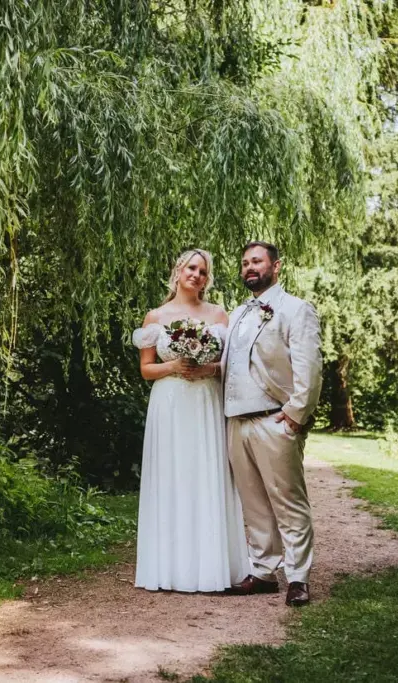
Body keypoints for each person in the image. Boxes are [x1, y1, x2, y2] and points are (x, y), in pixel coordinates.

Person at [131, 249, 251, 592]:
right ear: (178, 271)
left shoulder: (218, 315)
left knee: (205, 473)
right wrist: (174, 366)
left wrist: (208, 367)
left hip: (205, 401)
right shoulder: (155, 316)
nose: (196, 274)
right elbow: (146, 369)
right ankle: (170, 568)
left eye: (203, 271)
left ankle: (213, 566)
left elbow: (230, 364)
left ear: (207, 278)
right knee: (173, 475)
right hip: (169, 404)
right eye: (191, 268)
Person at [222, 241, 322, 607]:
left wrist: (296, 415)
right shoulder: (236, 315)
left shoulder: (296, 310)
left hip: (274, 419)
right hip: (236, 421)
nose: (250, 267)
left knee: (288, 501)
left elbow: (309, 368)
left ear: (276, 267)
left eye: (257, 261)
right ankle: (263, 572)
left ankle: (298, 577)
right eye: (245, 262)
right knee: (254, 503)